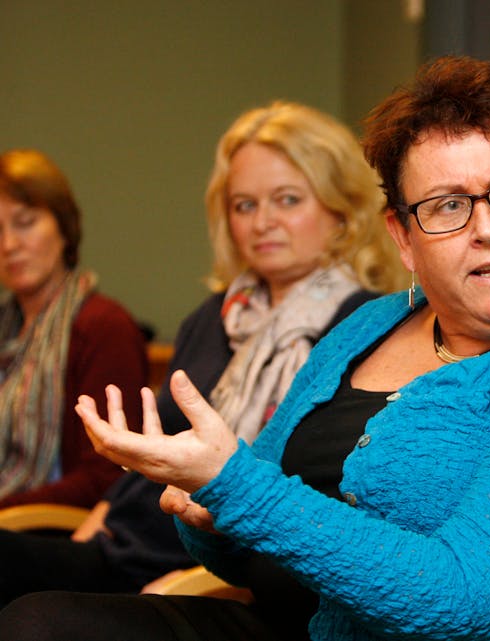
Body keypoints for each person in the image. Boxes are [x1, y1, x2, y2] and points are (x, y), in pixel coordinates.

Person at [0, 56, 490, 641]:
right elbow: (256, 532)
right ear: (403, 236)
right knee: (35, 620)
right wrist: (211, 514)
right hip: (290, 622)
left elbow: (473, 602)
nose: (487, 227)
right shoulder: (369, 327)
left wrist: (241, 489)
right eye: (448, 206)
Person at [0, 101, 401, 612]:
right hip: (124, 544)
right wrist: (103, 512)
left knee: (38, 618)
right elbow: (154, 448)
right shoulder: (213, 317)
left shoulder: (362, 325)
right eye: (245, 205)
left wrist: (194, 579)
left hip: (212, 572)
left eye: (287, 199)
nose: (264, 223)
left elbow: (316, 502)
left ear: (340, 209)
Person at [0, 149, 147, 509]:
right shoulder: (6, 328)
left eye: (25, 222)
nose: (9, 245)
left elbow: (107, 477)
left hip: (57, 532)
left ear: (64, 228)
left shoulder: (104, 327)